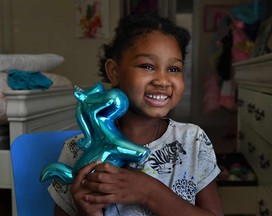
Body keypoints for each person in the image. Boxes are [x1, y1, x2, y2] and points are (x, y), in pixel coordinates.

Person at [48, 13, 223, 216]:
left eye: (174, 69)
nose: (163, 81)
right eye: (147, 66)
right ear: (114, 72)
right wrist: (86, 212)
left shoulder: (193, 141)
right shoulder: (75, 151)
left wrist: (149, 192)